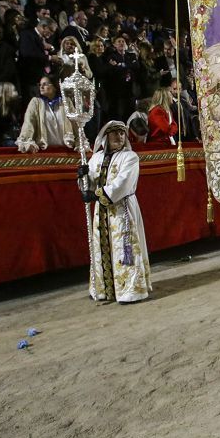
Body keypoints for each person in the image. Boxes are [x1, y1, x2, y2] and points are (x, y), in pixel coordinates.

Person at [83, 121, 152, 303]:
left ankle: (130, 290)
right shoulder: (96, 158)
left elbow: (123, 183)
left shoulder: (130, 157)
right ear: (105, 136)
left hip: (122, 208)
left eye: (122, 133)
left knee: (125, 247)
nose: (119, 137)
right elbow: (88, 185)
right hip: (102, 211)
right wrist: (82, 177)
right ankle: (103, 288)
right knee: (103, 246)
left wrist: (96, 194)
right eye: (114, 133)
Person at [16, 75, 75, 153]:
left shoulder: (66, 102)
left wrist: (80, 141)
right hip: (45, 150)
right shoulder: (35, 102)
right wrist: (26, 141)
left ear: (54, 86)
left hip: (65, 149)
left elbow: (75, 122)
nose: (41, 87)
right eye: (40, 85)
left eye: (45, 84)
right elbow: (29, 123)